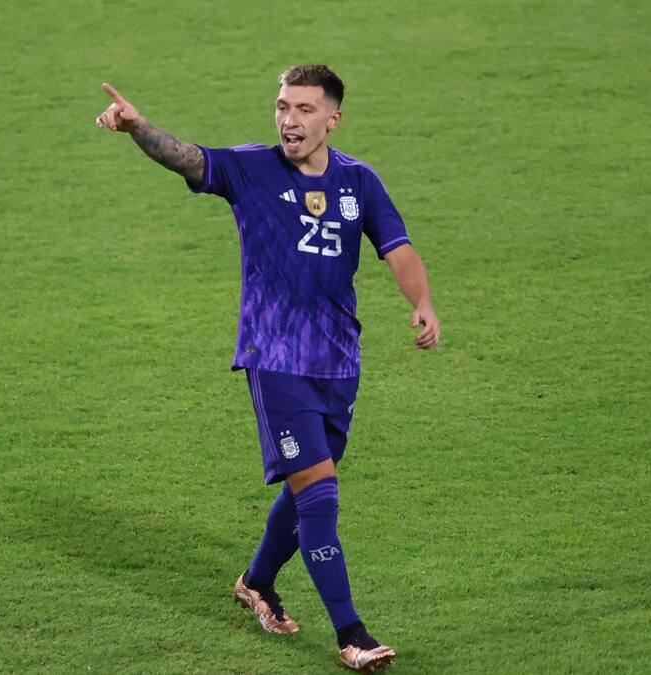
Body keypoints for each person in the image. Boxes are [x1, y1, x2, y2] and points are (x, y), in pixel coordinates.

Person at [95, 64, 439, 672]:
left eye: (305, 109)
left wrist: (422, 303)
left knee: (311, 484)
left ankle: (256, 581)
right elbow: (189, 159)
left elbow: (396, 245)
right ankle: (352, 635)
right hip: (275, 357)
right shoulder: (251, 169)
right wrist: (138, 128)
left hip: (338, 361)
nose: (289, 119)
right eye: (283, 106)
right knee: (320, 497)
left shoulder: (359, 181)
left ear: (333, 118)